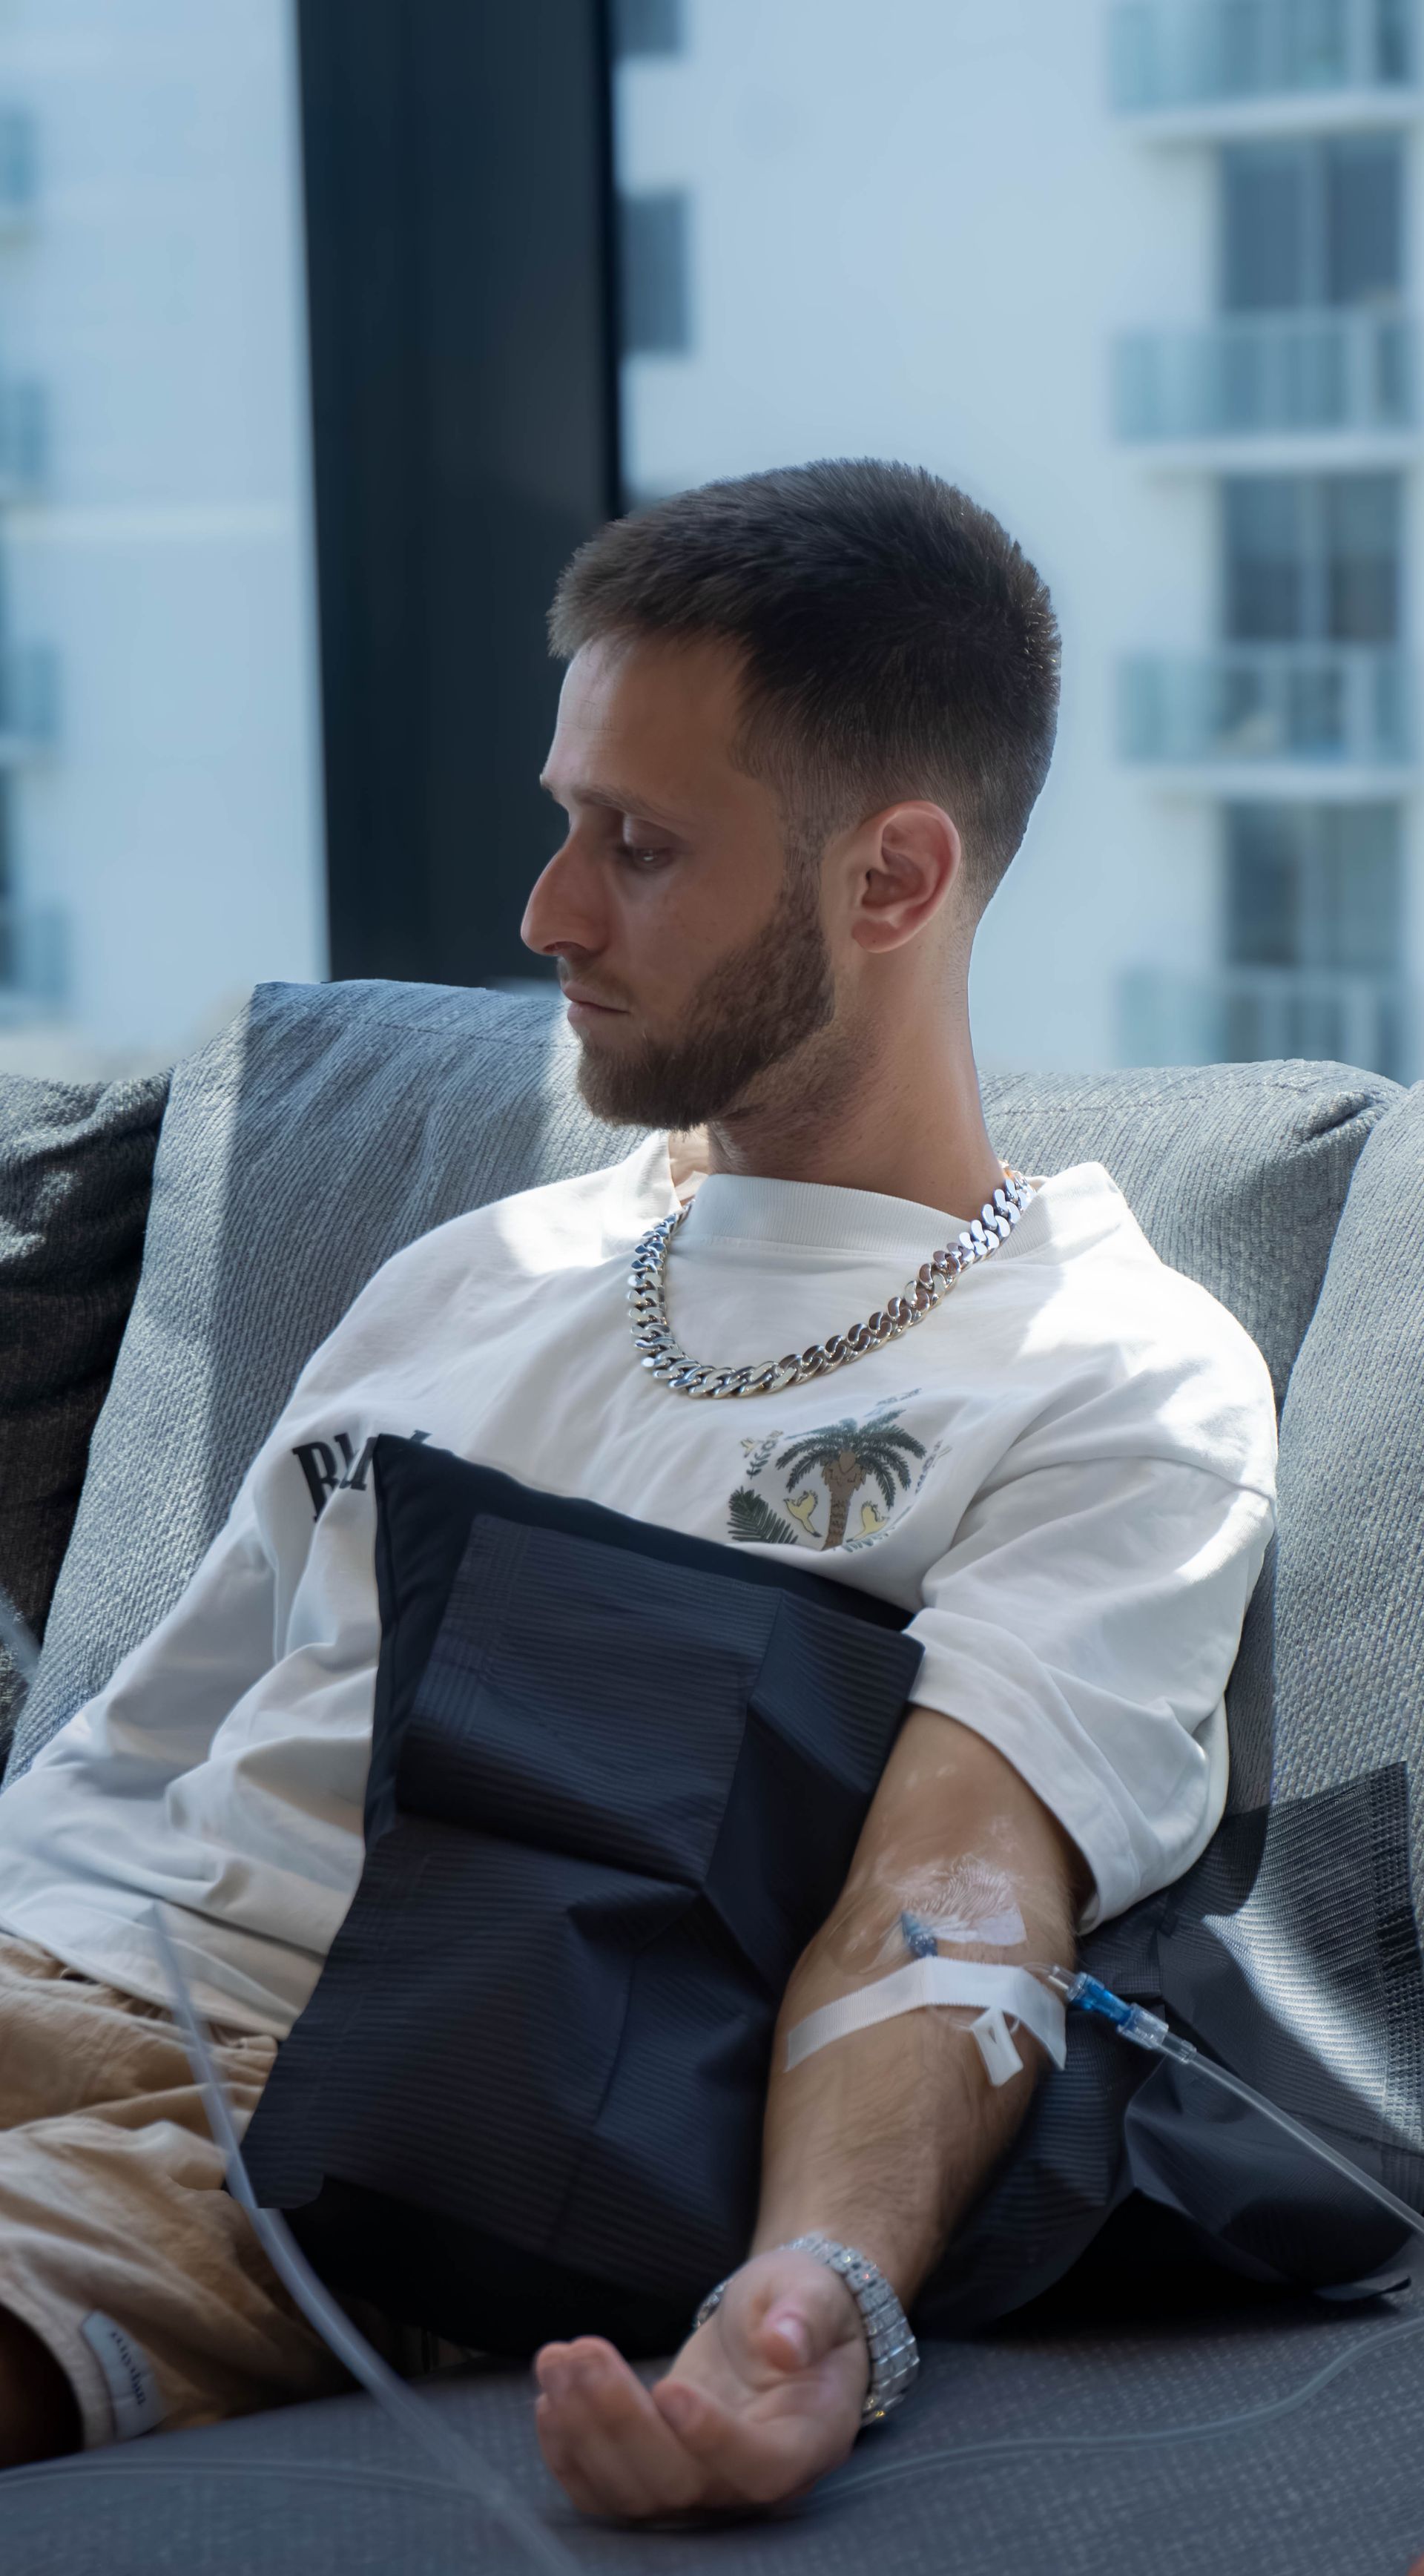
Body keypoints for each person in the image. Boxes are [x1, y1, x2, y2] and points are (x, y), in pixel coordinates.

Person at [0, 460, 1275, 2518]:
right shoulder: (474, 1270)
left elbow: (953, 1899)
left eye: (641, 846)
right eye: (563, 816)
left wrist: (823, 2285)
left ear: (892, 880)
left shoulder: (1113, 1377)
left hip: (312, 2105)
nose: (548, 913)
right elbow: (135, 1746)